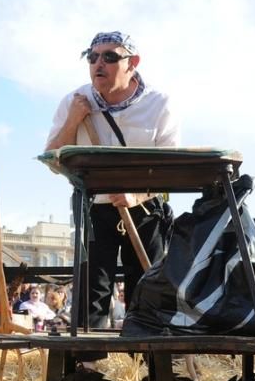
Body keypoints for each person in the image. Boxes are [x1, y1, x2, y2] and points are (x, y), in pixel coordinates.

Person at [45, 30, 178, 339]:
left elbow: (170, 167)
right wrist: (74, 120)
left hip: (145, 208)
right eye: (91, 57)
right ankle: (87, 369)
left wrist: (137, 194)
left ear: (133, 62)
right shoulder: (75, 101)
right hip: (94, 207)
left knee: (146, 288)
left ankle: (148, 366)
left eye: (109, 57)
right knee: (91, 290)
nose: (98, 64)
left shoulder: (159, 104)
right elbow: (53, 160)